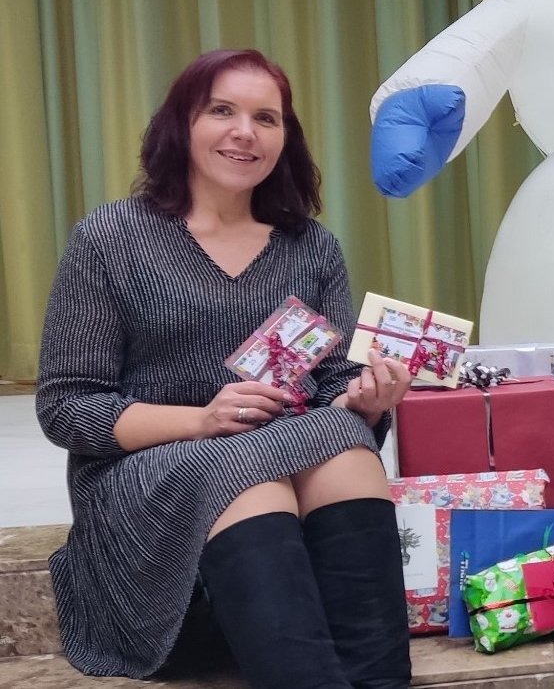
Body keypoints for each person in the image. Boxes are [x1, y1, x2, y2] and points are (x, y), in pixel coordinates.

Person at [36, 49, 415, 688]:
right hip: (149, 470)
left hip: (277, 449)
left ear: (285, 138)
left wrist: (368, 402)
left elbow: (330, 391)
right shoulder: (109, 239)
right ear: (181, 125)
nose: (245, 132)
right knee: (249, 479)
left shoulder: (312, 247)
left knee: (348, 448)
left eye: (266, 118)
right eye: (222, 111)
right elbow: (66, 407)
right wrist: (201, 420)